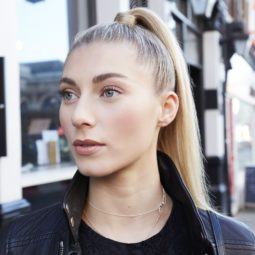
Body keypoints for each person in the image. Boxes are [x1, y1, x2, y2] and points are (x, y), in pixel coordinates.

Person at [1, 6, 255, 255]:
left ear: (166, 108)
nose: (78, 116)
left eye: (109, 91)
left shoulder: (235, 246)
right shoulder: (21, 244)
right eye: (69, 94)